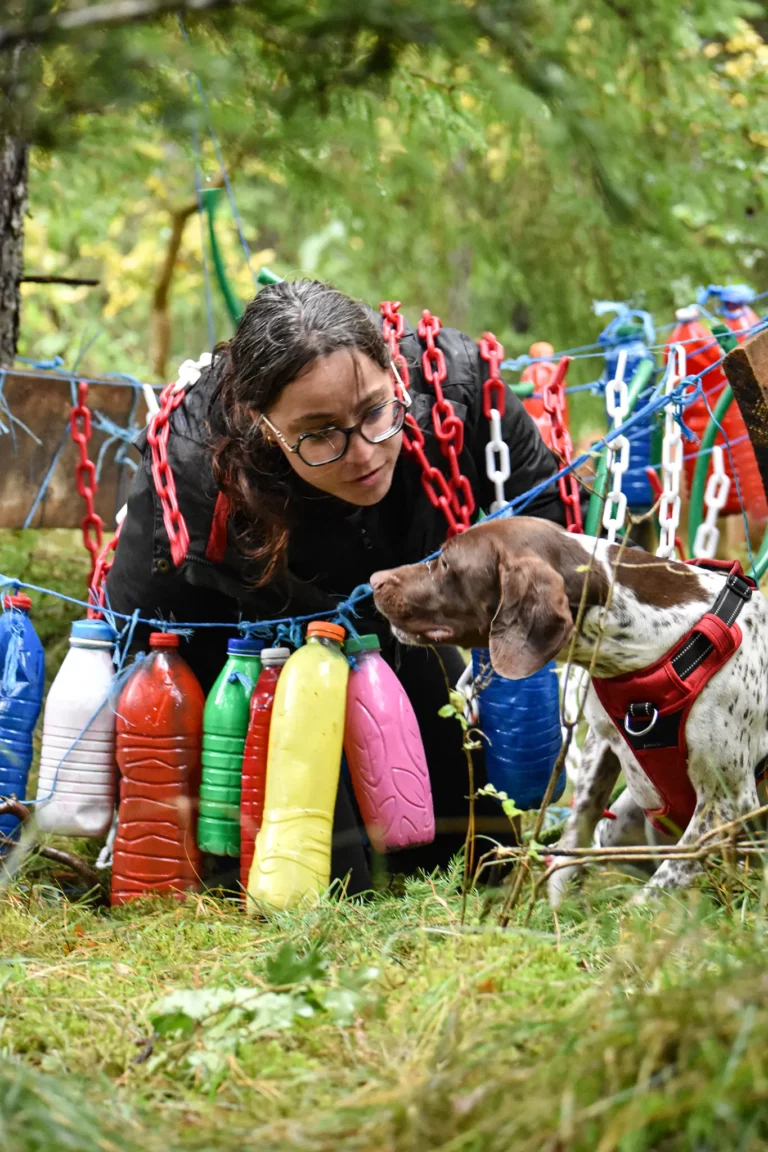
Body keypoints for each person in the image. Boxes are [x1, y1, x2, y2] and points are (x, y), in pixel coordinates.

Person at [106, 278, 576, 893]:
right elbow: (163, 632)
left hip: (383, 624)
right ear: (262, 422)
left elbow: (556, 528)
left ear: (393, 370)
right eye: (320, 431)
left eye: (375, 412)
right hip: (234, 655)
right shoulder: (201, 463)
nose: (363, 454)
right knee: (329, 873)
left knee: (470, 842)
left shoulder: (464, 391)